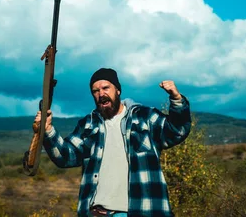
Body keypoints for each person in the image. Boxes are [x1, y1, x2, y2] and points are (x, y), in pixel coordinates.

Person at [33, 67, 192, 217]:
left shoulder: (144, 117)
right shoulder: (88, 125)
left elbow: (177, 131)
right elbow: (65, 156)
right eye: (95, 91)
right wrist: (47, 130)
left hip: (142, 211)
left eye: (105, 88)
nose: (101, 94)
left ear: (118, 90)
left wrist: (176, 99)